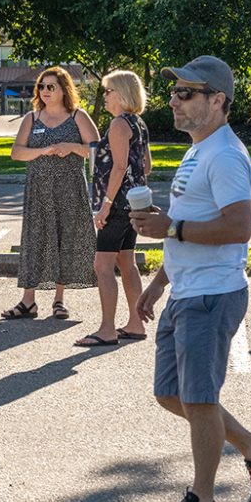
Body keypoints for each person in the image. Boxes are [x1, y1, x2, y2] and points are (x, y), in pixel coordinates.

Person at [130, 56, 251, 502]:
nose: (174, 100)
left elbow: (239, 227)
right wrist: (157, 284)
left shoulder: (225, 155)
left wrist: (170, 228)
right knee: (171, 394)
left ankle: (203, 500)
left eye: (186, 93)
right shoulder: (198, 149)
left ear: (217, 100)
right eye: (174, 92)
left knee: (198, 400)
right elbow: (187, 227)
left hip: (213, 295)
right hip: (186, 291)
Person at [3, 66, 99, 320]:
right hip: (38, 190)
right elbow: (16, 153)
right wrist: (42, 151)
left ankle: (59, 300)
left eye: (50, 87)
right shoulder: (31, 118)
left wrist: (72, 147)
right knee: (34, 241)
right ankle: (28, 301)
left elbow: (96, 148)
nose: (44, 91)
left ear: (63, 89)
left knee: (65, 241)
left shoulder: (78, 116)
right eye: (41, 86)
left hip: (70, 188)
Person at [75, 71, 152, 347]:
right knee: (125, 261)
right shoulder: (138, 122)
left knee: (102, 264)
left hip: (117, 206)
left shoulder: (119, 124)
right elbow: (146, 167)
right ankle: (135, 323)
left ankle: (107, 330)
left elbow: (120, 166)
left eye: (108, 91)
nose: (104, 96)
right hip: (132, 205)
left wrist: (105, 206)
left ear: (120, 94)